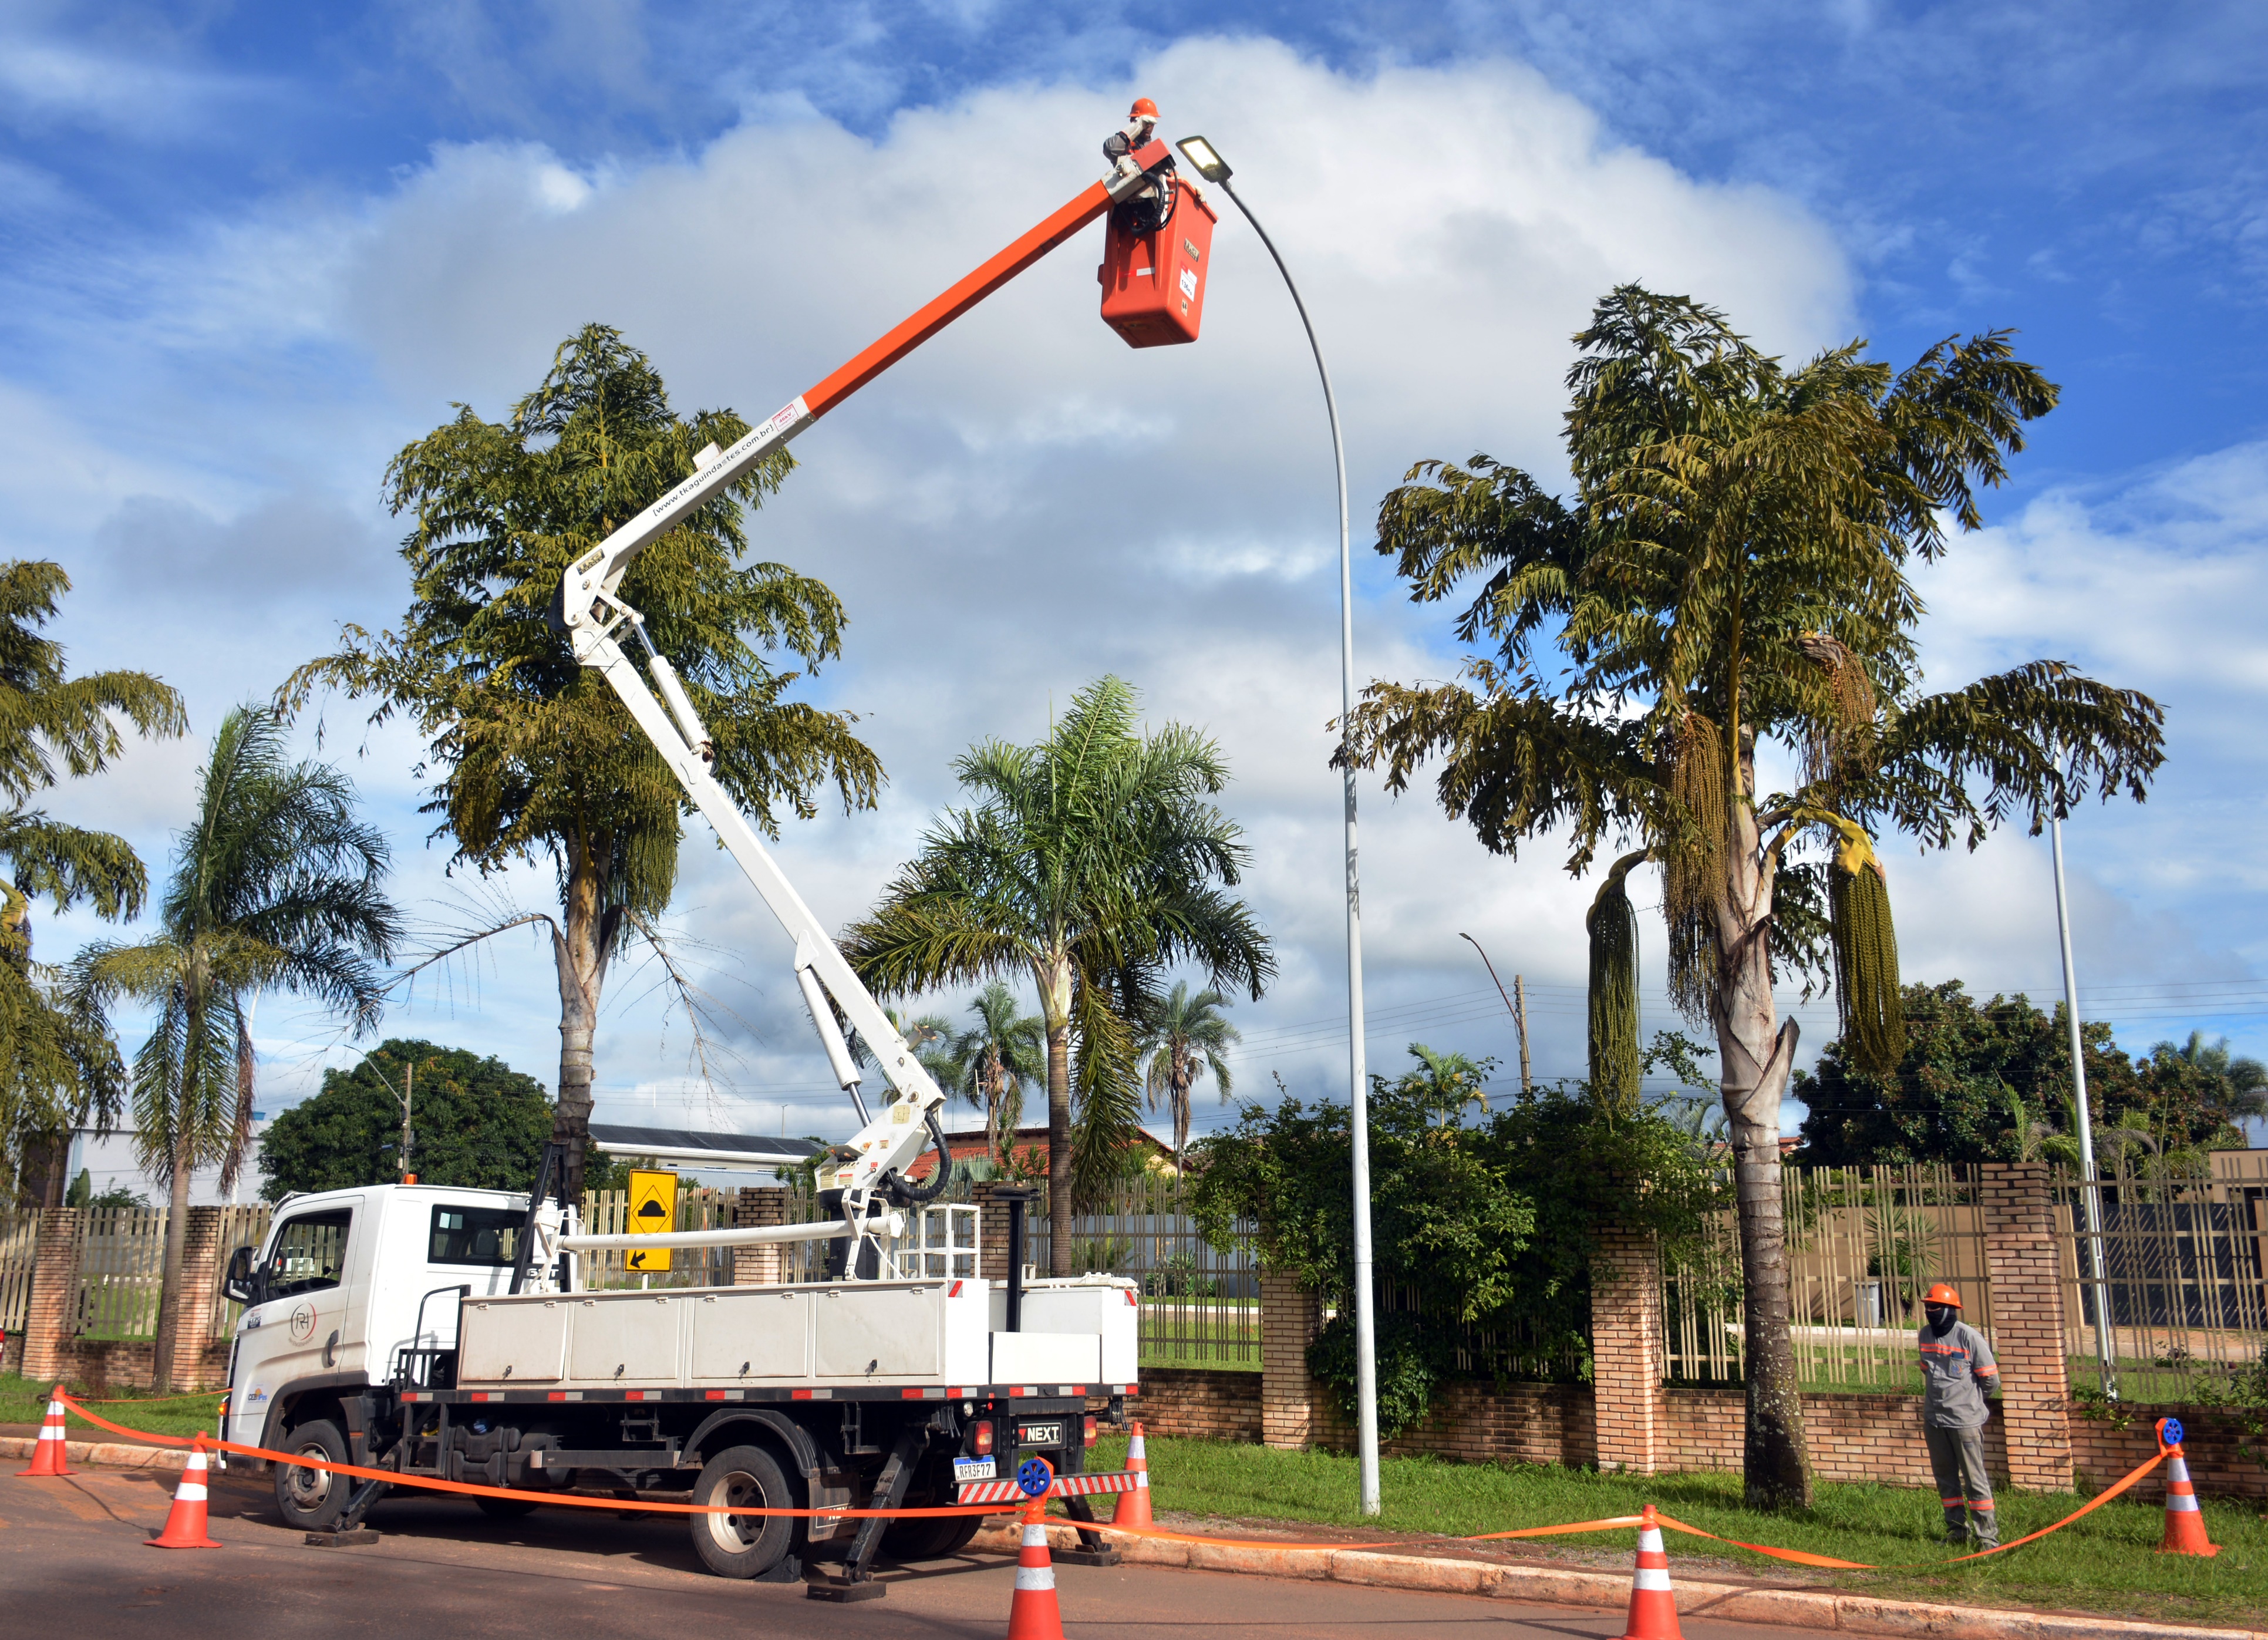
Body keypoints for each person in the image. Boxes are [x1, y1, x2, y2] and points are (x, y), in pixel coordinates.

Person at [1916, 1282, 2000, 1547]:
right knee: (1946, 1480)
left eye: (1935, 1307)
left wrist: (1969, 1402)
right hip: (1935, 1420)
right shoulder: (1925, 1335)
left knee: (1975, 1480)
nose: (1929, 1311)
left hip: (1964, 1422)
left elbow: (1991, 1381)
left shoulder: (1970, 1337)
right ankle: (1957, 1531)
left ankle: (1987, 1537)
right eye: (1927, 1307)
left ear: (1951, 1309)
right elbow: (1927, 1371)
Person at [1104, 97, 1175, 234]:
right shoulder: (1124, 145)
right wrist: (1136, 127)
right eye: (1145, 123)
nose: (1148, 127)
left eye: (1151, 124)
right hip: (1127, 207)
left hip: (1152, 211)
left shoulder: (1157, 151)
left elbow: (1170, 177)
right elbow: (1110, 149)